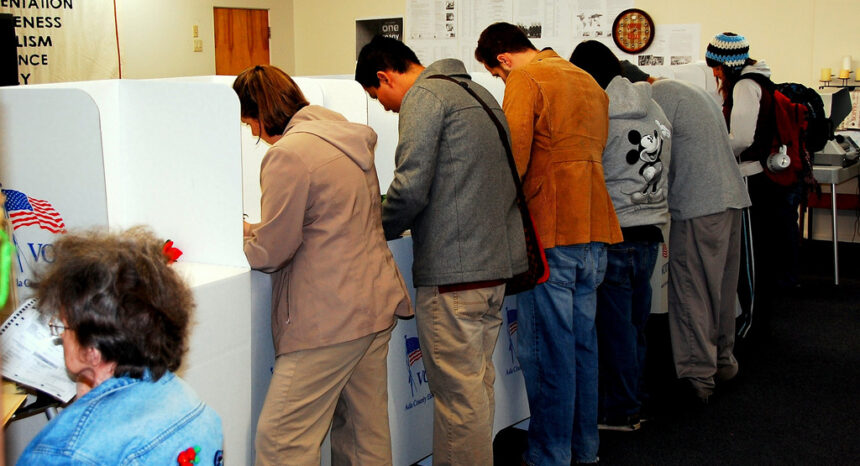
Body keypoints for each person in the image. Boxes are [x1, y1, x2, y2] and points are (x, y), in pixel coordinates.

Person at [355, 35, 527, 465]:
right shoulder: (479, 92)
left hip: (454, 275)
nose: (386, 107)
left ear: (384, 75)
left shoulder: (425, 98)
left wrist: (371, 225)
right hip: (493, 267)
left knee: (457, 398)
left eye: (380, 97)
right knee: (475, 388)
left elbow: (410, 187)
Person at [235, 65, 412, 465]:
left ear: (261, 113)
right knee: (363, 434)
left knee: (282, 440)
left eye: (251, 123)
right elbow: (329, 220)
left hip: (329, 319)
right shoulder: (346, 136)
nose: (253, 134)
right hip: (374, 302)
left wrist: (240, 235)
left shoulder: (289, 155)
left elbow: (272, 250)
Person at [475, 23, 623, 465]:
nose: (502, 82)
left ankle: (550, 453)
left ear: (502, 59)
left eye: (497, 76)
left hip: (552, 234)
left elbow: (512, 160)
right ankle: (584, 447)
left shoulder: (526, 79)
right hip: (595, 226)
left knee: (546, 351)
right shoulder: (587, 79)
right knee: (582, 348)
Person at [18, 227, 223, 465]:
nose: (61, 337)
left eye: (63, 327)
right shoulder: (197, 408)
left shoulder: (66, 452)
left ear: (93, 350)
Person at [570, 40, 671, 431]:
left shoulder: (599, 110)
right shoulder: (655, 105)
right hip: (651, 229)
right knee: (635, 326)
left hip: (615, 230)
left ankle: (621, 410)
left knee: (613, 331)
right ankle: (636, 399)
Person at [650, 77, 752, 402]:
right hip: (731, 198)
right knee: (720, 289)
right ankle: (723, 361)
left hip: (698, 205)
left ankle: (698, 377)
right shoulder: (695, 92)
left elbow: (653, 155)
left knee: (693, 290)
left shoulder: (656, 97)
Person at [705, 32, 802, 329]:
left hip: (750, 180)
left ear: (727, 64)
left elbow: (742, 138)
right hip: (762, 179)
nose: (715, 74)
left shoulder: (746, 86)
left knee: (750, 258)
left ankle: (749, 324)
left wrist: (713, 147)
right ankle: (756, 321)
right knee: (760, 254)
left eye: (716, 67)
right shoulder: (760, 81)